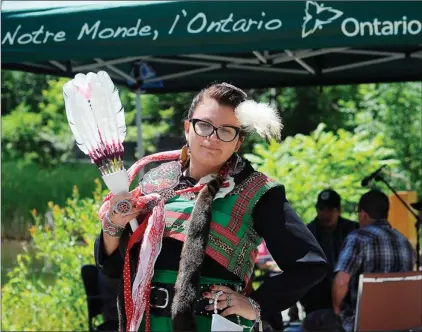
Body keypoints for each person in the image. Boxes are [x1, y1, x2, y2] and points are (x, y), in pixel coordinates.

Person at [94, 83, 328, 332]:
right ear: (187, 128)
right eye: (204, 125)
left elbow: (309, 263)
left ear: (238, 142)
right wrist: (114, 225)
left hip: (212, 324)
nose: (212, 138)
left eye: (226, 131)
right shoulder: (154, 182)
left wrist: (255, 304)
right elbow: (114, 268)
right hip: (144, 323)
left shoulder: (257, 191)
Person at [303, 190, 416, 332]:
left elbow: (341, 282)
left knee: (312, 321)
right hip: (399, 321)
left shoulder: (358, 237)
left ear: (363, 214)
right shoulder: (405, 242)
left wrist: (337, 311)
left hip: (363, 322)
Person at [301, 189, 358, 314]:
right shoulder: (307, 232)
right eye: (322, 209)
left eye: (331, 210)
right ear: (317, 210)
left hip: (349, 300)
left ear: (339, 210)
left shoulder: (353, 230)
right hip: (316, 301)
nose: (326, 214)